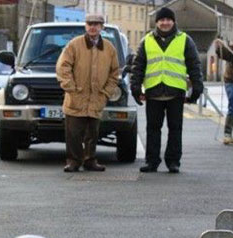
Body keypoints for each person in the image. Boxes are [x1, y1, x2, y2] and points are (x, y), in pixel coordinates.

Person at [130, 7, 204, 173]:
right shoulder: (146, 40)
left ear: (173, 21)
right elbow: (138, 66)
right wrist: (135, 87)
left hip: (175, 92)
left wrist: (197, 86)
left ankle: (173, 162)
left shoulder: (185, 40)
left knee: (175, 129)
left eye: (168, 20)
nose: (165, 23)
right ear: (156, 22)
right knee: (152, 129)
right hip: (154, 92)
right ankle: (152, 161)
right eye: (161, 20)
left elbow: (194, 65)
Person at [56, 14, 120, 172]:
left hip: (97, 97)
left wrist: (106, 92)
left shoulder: (109, 48)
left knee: (92, 133)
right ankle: (73, 161)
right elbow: (63, 66)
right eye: (90, 24)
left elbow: (114, 73)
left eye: (97, 24)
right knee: (73, 133)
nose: (93, 27)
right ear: (85, 25)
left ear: (102, 27)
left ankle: (90, 160)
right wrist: (70, 87)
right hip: (76, 97)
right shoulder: (74, 44)